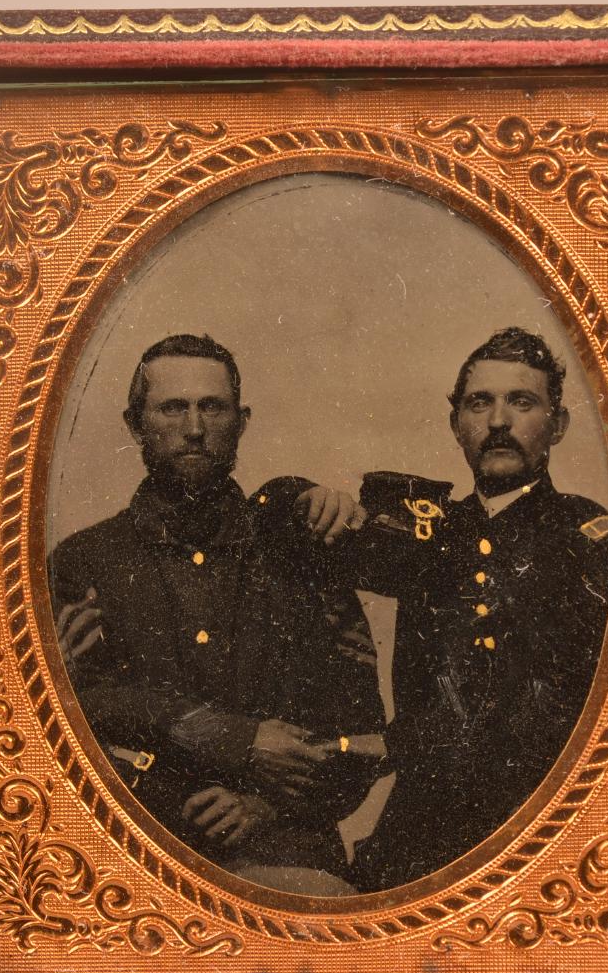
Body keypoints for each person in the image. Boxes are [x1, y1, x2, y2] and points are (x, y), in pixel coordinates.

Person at [49, 334, 383, 895]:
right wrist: (234, 738)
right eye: (173, 407)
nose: (195, 428)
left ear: (242, 420)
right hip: (133, 846)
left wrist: (265, 807)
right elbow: (76, 710)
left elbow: (359, 730)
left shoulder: (298, 549)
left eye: (213, 407)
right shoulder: (83, 562)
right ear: (135, 424)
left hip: (286, 848)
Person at [316, 326, 608, 890]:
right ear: (457, 424)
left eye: (521, 402)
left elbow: (550, 709)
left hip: (539, 827)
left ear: (558, 424)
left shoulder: (590, 542)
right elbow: (283, 531)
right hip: (420, 828)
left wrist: (393, 744)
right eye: (480, 403)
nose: (498, 421)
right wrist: (302, 496)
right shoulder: (432, 532)